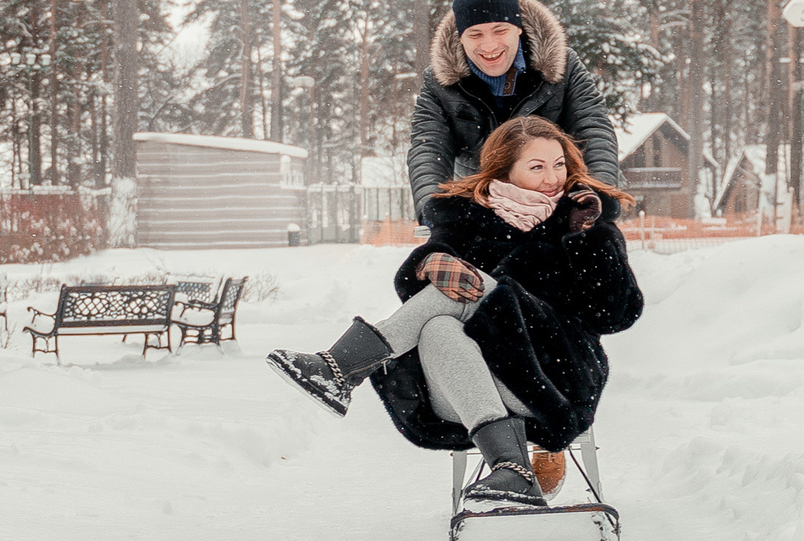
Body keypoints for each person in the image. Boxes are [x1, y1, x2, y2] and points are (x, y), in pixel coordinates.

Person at [268, 116, 644, 512]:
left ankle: (341, 369)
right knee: (438, 326)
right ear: (505, 169)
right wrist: (429, 263)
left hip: (554, 385)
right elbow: (415, 287)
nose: (553, 176)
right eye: (537, 166)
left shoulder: (585, 222)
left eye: (558, 164)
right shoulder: (468, 217)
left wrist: (583, 238)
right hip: (469, 388)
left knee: (477, 284)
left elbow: (616, 315)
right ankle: (511, 465)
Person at [410, 0, 620, 208]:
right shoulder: (439, 82)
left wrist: (598, 197)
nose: (489, 46)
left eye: (500, 31)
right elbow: (428, 148)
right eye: (475, 34)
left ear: (518, 29)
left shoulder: (564, 66)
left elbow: (594, 130)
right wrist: (433, 209)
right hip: (482, 204)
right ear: (461, 37)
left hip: (554, 199)